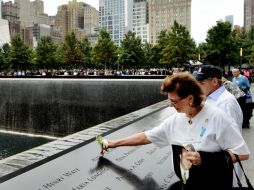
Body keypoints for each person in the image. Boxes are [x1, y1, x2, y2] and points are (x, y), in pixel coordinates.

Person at [97, 73, 250, 190]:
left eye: (174, 101)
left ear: (190, 98)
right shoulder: (176, 120)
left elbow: (242, 152)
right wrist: (113, 143)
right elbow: (147, 136)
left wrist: (205, 159)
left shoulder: (217, 116)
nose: (170, 106)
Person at [193, 65, 243, 132]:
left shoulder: (226, 102)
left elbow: (232, 135)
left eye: (201, 83)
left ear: (214, 82)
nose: (197, 87)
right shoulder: (209, 97)